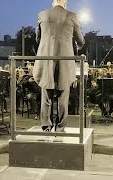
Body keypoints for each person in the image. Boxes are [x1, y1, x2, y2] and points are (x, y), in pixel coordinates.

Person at [33, 0, 85, 132]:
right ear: (65, 3)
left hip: (46, 59)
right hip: (65, 60)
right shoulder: (72, 16)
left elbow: (38, 38)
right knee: (63, 96)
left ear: (53, 2)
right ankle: (60, 128)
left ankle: (46, 127)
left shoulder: (42, 14)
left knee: (46, 94)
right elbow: (81, 41)